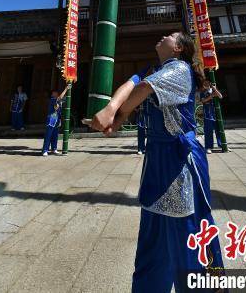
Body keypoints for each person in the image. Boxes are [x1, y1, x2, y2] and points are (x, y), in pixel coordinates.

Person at [88, 31, 225, 293]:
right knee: (152, 243)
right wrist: (111, 107)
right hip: (157, 160)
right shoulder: (156, 68)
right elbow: (132, 82)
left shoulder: (179, 69)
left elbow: (143, 88)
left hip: (179, 162)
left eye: (172, 36)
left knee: (188, 238)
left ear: (178, 50)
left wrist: (118, 112)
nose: (164, 36)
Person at [42, 86, 68, 156]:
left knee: (55, 135)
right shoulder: (52, 99)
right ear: (52, 94)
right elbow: (60, 98)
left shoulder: (58, 100)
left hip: (57, 119)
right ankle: (45, 150)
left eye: (56, 92)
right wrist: (66, 89)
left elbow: (63, 98)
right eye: (54, 92)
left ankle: (54, 149)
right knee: (48, 135)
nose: (56, 93)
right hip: (51, 119)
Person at [200, 80, 223, 154]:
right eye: (204, 83)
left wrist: (214, 89)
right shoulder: (203, 92)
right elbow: (203, 101)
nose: (206, 84)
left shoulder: (214, 90)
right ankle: (208, 147)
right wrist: (211, 96)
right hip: (208, 114)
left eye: (207, 83)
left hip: (216, 113)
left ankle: (222, 145)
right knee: (208, 131)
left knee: (219, 130)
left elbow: (220, 96)